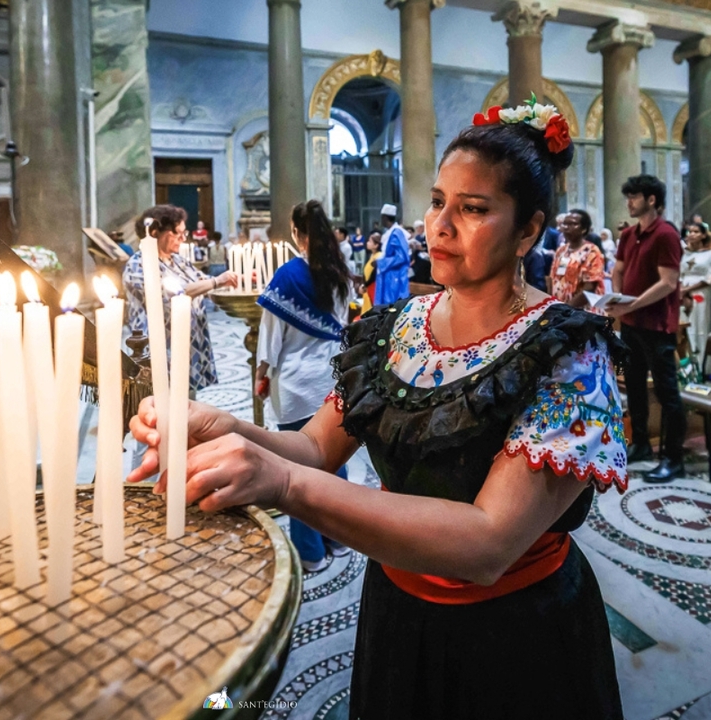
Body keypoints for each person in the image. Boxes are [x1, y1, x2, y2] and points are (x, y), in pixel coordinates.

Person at [129, 105, 626, 719]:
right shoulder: (396, 329)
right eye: (437, 201)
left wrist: (283, 484)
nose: (438, 227)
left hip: (515, 632)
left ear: (528, 231)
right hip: (397, 607)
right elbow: (315, 449)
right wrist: (232, 428)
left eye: (472, 209)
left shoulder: (568, 352)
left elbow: (487, 543)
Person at [256, 200, 353, 572]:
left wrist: (261, 374)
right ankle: (340, 539)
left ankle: (310, 553)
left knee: (298, 470)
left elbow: (270, 340)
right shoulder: (339, 273)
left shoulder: (286, 276)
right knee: (332, 462)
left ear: (297, 233)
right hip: (330, 382)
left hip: (296, 387)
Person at [607, 174, 684, 483]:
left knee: (667, 393)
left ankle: (673, 458)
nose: (629, 202)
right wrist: (615, 297)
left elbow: (669, 282)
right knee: (635, 385)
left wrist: (631, 304)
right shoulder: (629, 234)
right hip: (632, 323)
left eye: (634, 196)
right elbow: (618, 269)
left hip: (657, 324)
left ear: (651, 200)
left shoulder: (665, 234)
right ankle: (640, 443)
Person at [123, 205, 238, 395]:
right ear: (154, 233)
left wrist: (235, 283)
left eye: (185, 233)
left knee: (189, 410)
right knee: (164, 411)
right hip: (160, 353)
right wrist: (217, 281)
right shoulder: (138, 265)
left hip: (188, 351)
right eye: (178, 233)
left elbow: (202, 283)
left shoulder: (177, 261)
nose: (183, 239)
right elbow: (172, 294)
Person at [680, 221, 711, 360]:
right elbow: (680, 274)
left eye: (696, 232)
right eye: (689, 231)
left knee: (700, 326)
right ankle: (687, 363)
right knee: (685, 326)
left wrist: (687, 289)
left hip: (701, 293)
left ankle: (702, 363)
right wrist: (681, 290)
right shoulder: (686, 254)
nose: (691, 234)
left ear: (703, 235)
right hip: (683, 293)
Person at [550, 209, 604, 309]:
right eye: (565, 224)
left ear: (584, 229)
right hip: (560, 308)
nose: (566, 228)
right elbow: (553, 279)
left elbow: (590, 287)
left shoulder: (592, 251)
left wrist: (568, 307)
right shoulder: (561, 251)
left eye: (573, 224)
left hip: (583, 310)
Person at [374, 203, 410, 305]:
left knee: (391, 306)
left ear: (385, 217)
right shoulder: (390, 232)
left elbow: (401, 257)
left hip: (394, 277)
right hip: (389, 275)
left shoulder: (396, 233)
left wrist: (381, 262)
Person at [361, 233, 383, 315]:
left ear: (376, 245)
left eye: (370, 241)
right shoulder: (372, 255)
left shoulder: (379, 256)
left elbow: (374, 275)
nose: (367, 243)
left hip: (373, 288)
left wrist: (365, 285)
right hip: (368, 288)